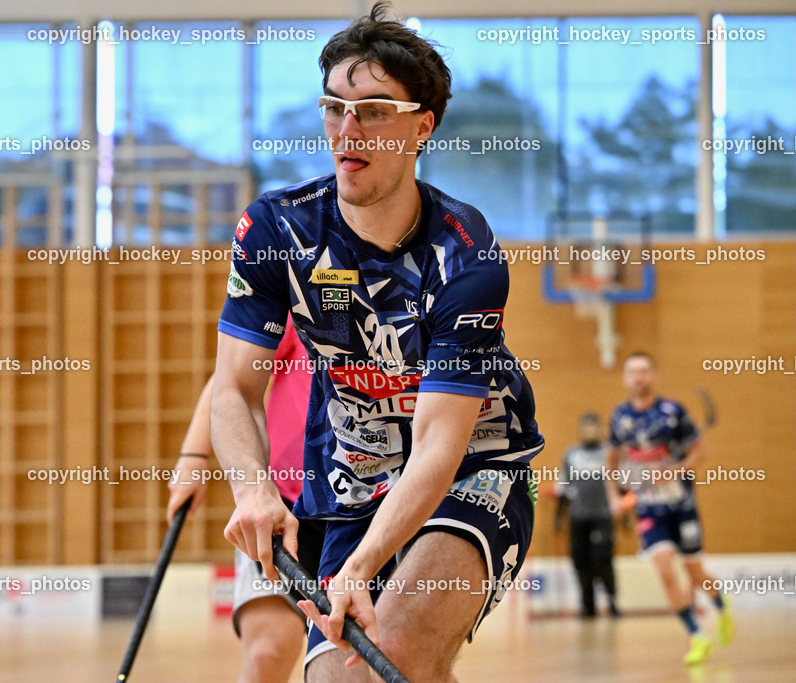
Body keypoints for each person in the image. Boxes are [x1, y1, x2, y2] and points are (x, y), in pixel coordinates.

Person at [209, 3, 544, 681]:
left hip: (472, 469)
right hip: (350, 484)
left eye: (374, 111)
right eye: (335, 107)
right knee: (344, 678)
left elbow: (440, 444)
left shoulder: (466, 252)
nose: (347, 128)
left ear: (423, 126)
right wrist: (253, 489)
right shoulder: (278, 231)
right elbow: (234, 389)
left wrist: (362, 567)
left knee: (396, 649)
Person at [167, 316, 324, 683]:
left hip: (366, 510)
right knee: (266, 652)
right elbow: (231, 378)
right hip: (281, 504)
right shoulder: (301, 301)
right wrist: (193, 457)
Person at [604, 351, 734, 665]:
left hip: (681, 506)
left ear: (654, 376)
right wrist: (614, 498)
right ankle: (697, 635)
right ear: (625, 379)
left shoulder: (673, 412)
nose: (638, 377)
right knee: (663, 568)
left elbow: (699, 452)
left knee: (695, 572)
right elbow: (610, 459)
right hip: (649, 508)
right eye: (632, 372)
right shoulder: (619, 417)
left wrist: (675, 470)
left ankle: (720, 604)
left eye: (644, 371)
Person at [555, 413, 619, 618]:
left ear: (600, 429)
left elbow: (620, 484)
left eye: (593, 427)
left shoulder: (608, 452)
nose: (590, 431)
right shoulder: (571, 454)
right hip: (578, 517)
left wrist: (625, 516)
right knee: (580, 561)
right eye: (586, 427)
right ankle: (588, 605)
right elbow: (563, 487)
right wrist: (558, 518)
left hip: (603, 515)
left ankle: (612, 600)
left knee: (602, 558)